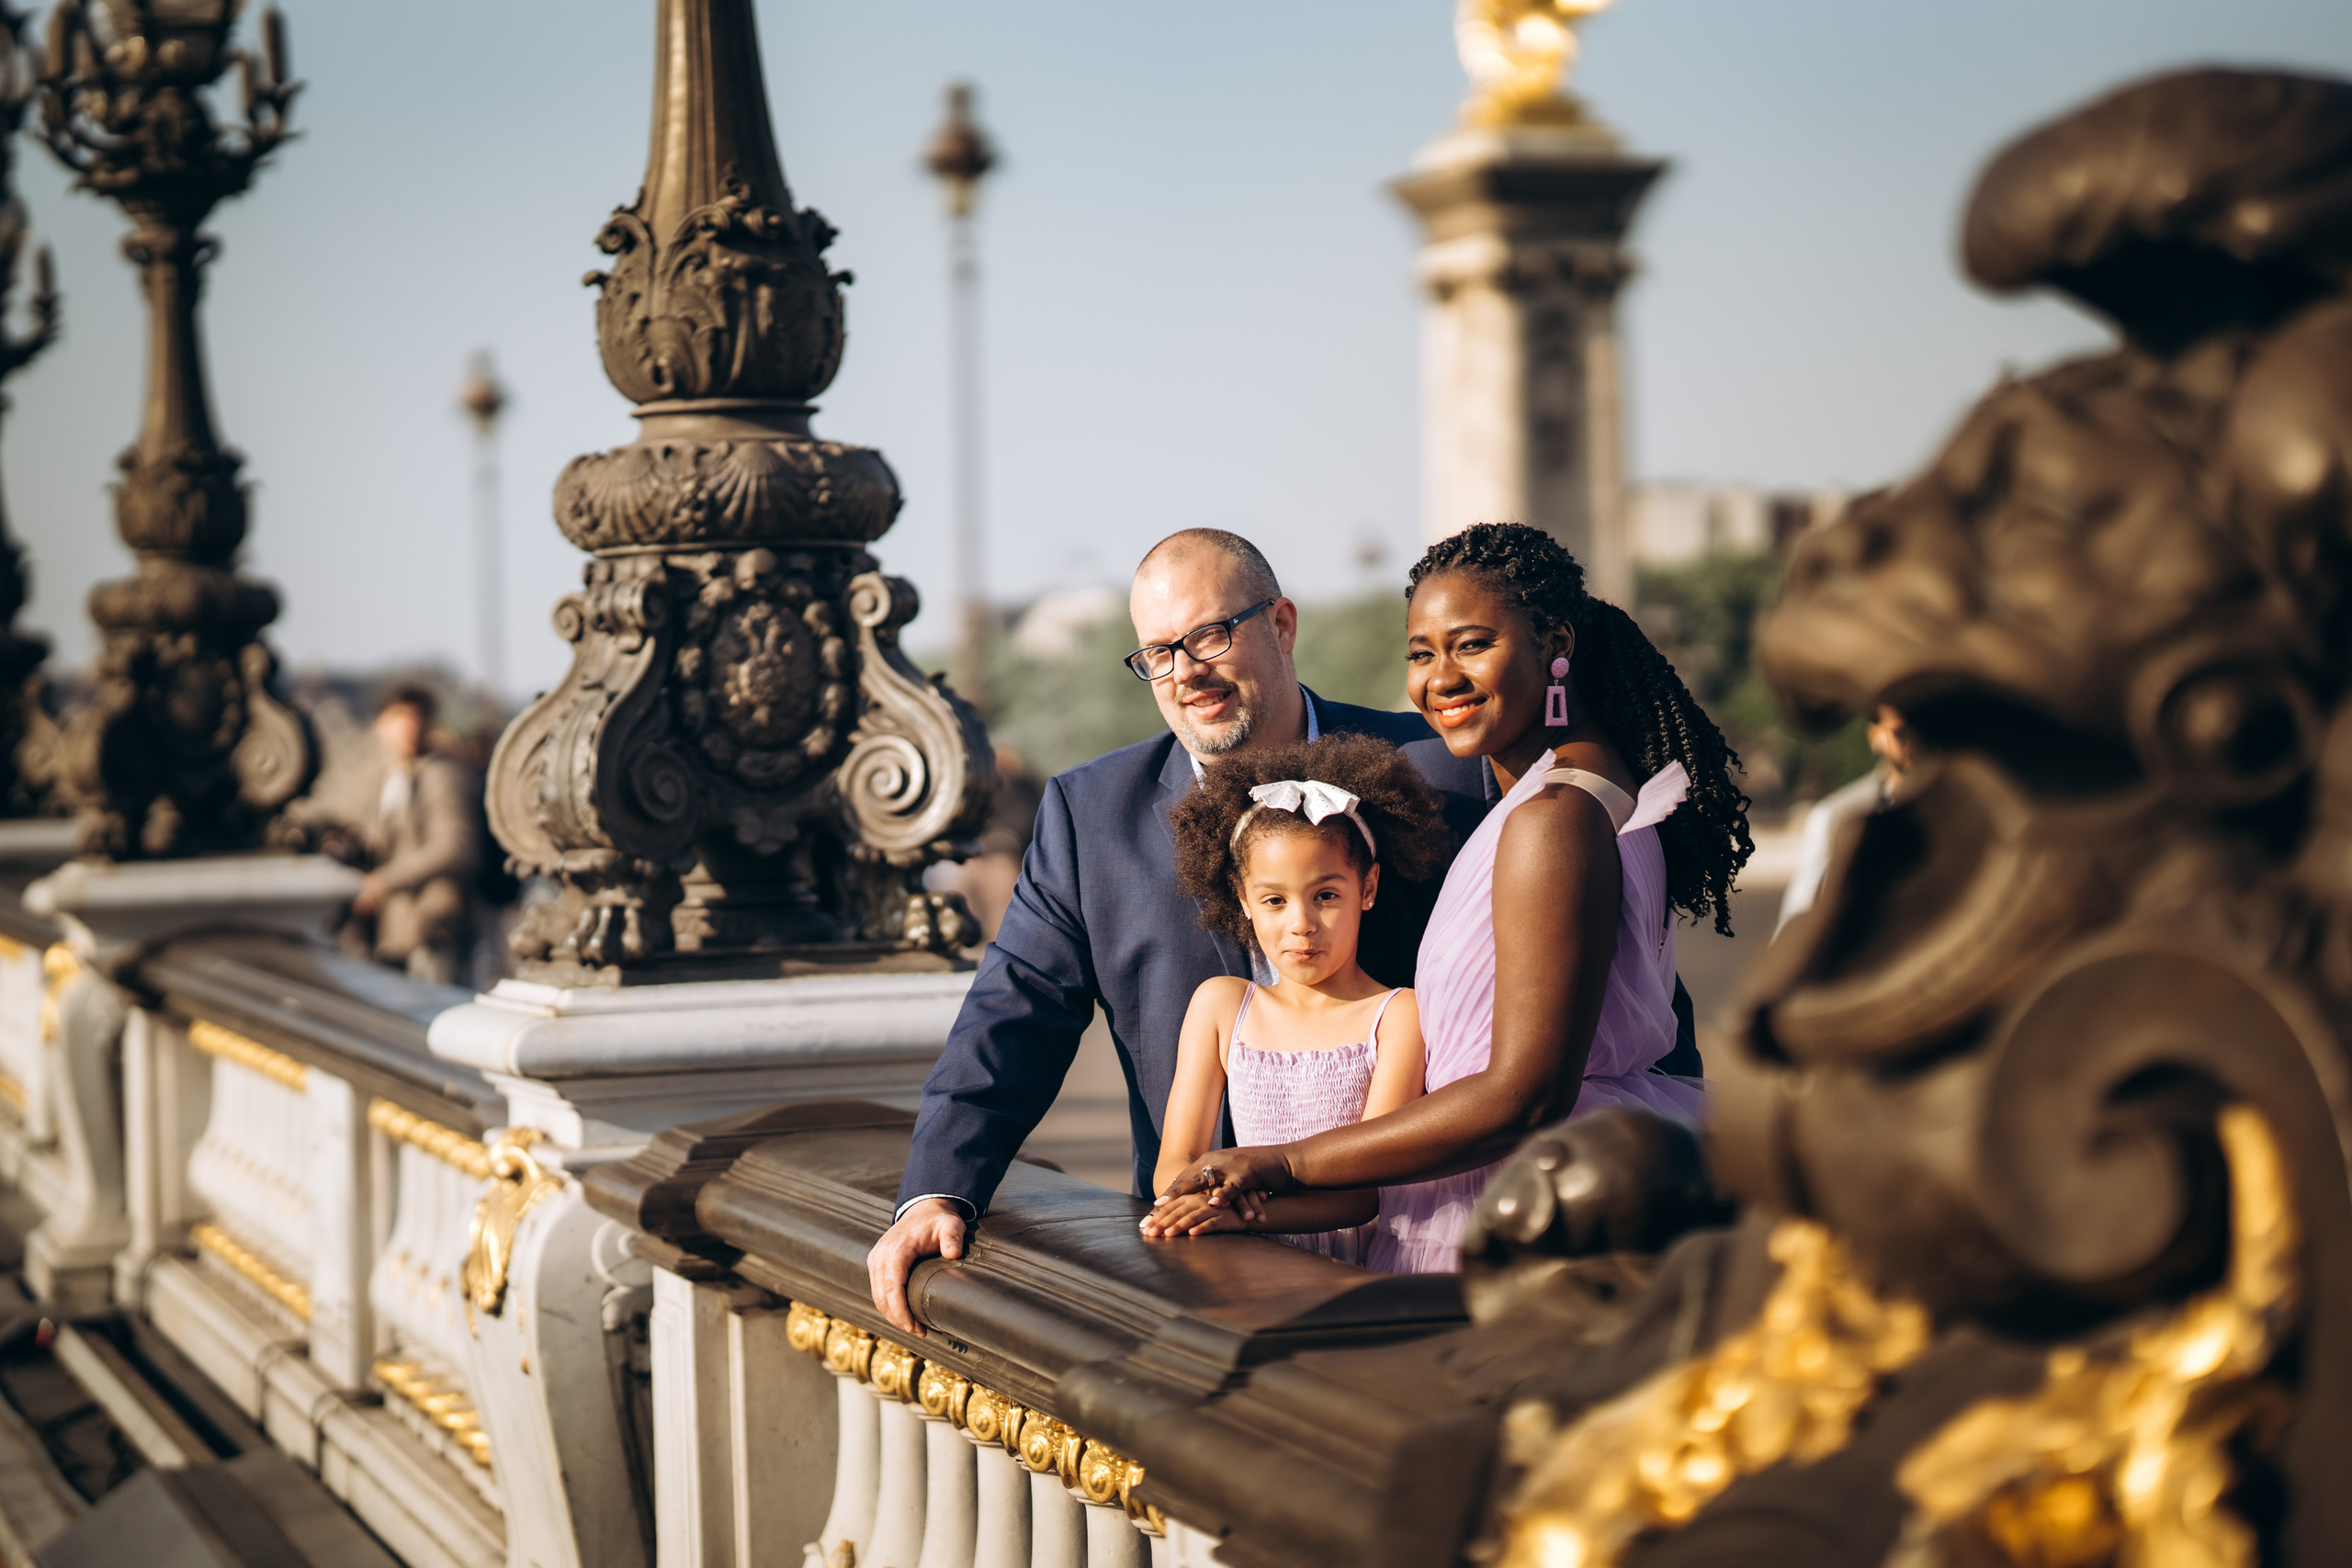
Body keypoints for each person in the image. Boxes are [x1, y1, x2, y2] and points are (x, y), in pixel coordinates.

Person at [865, 529, 1498, 1335]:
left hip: (1426, 1267)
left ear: (1285, 625)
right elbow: (1013, 1011)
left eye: (1210, 634)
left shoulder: (1443, 773)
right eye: (1157, 652)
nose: (1186, 672)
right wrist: (938, 1188)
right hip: (1195, 1283)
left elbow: (1573, 980)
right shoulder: (1088, 817)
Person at [1160, 523, 1753, 1272]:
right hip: (1557, 1184)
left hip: (1518, 1214)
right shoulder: (1595, 790)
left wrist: (1287, 1162)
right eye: (1421, 653)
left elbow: (1524, 1094)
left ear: (1555, 643)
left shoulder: (1554, 821)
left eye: (1472, 644)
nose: (1440, 678)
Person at [1144, 735, 1452, 1260]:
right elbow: (1175, 1161)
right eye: (1274, 900)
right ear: (1243, 899)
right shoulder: (1221, 1006)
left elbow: (1362, 1194)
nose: (1301, 924)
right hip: (1237, 1261)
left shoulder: (1398, 1015)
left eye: (1326, 896)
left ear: (1368, 888)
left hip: (1354, 1275)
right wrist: (1213, 1201)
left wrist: (1235, 1213)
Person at [345, 685, 487, 986]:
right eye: (399, 716)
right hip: (397, 928)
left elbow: (454, 847)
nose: (409, 726)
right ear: (380, 725)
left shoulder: (441, 774)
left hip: (434, 925)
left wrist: (383, 882)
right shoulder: (390, 775)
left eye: (418, 717)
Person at [1775, 705, 1910, 935]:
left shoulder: (1961, 807)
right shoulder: (1837, 816)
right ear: (1874, 734)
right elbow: (1799, 913)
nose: (1912, 743)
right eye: (1900, 733)